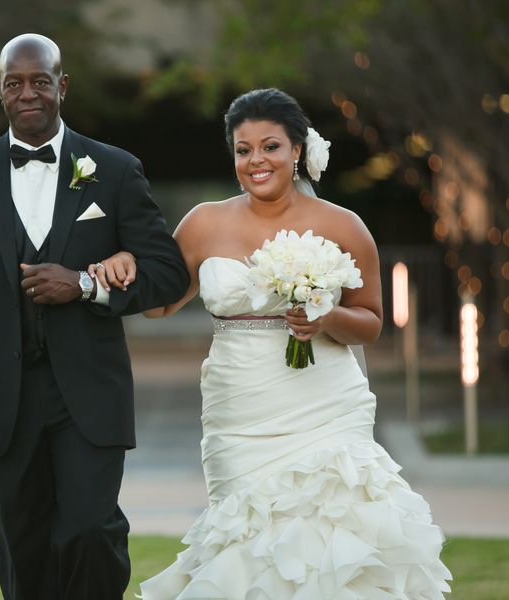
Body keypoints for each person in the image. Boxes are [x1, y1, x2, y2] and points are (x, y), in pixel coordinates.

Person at [95, 88, 452, 599]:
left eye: (270, 147)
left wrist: (325, 316)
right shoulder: (203, 222)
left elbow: (372, 322)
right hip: (239, 410)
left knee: (337, 532)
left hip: (326, 405)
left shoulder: (342, 225)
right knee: (248, 543)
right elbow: (158, 303)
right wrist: (121, 263)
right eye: (244, 150)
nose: (256, 161)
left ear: (298, 151)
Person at [0, 34, 189, 600]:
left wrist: (86, 285)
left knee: (92, 532)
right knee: (22, 550)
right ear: (0, 92)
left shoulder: (113, 171)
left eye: (41, 81)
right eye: (15, 83)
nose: (28, 93)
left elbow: (169, 273)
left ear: (62, 86)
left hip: (87, 391)